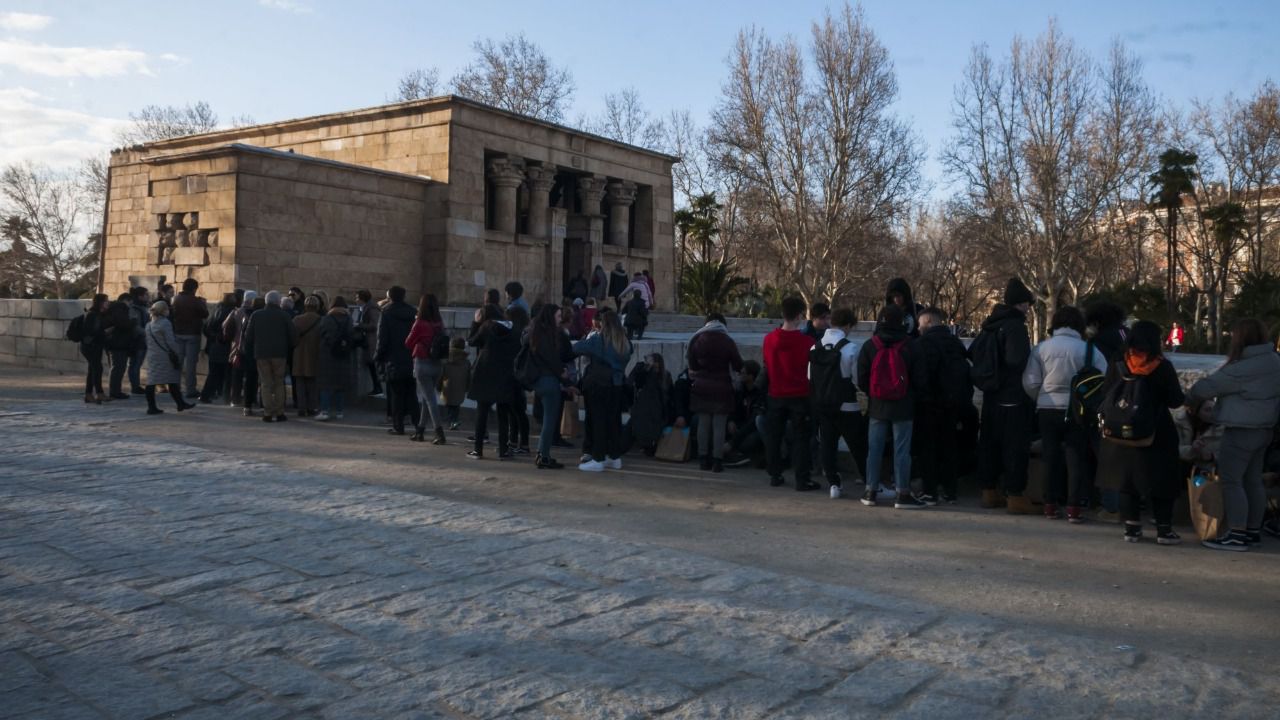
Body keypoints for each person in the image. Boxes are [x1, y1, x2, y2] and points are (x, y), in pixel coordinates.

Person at [1186, 318, 1280, 551]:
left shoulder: (1240, 368)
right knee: (1253, 480)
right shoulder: (1275, 361)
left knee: (1232, 481)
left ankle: (1236, 532)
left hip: (1240, 429)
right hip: (1265, 429)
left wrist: (1189, 400)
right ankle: (1252, 530)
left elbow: (1204, 388)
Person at [1096, 321, 1185, 545]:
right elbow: (1175, 400)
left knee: (1127, 480)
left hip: (1120, 431)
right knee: (1162, 480)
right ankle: (1164, 530)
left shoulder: (1118, 362)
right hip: (1156, 430)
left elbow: (1106, 392)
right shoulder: (1162, 366)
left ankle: (1132, 528)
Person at [1022, 306, 1107, 521]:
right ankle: (1074, 507)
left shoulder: (1041, 349)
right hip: (1078, 410)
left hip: (1047, 409)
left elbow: (1030, 381)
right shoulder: (1090, 350)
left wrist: (1041, 397)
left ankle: (1050, 505)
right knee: (1075, 458)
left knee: (1050, 456)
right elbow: (1103, 380)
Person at [857, 304, 929, 509]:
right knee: (902, 451)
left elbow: (862, 378)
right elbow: (921, 379)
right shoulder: (911, 345)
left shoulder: (870, 345)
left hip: (877, 406)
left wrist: (874, 393)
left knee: (874, 449)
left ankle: (870, 490)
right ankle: (902, 493)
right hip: (903, 405)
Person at [975, 278, 1035, 513]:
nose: (1028, 308)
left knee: (990, 443)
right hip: (1012, 394)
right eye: (1027, 304)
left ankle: (989, 491)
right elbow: (1016, 360)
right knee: (1014, 446)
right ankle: (1015, 495)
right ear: (1021, 304)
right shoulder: (1015, 326)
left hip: (991, 394)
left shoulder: (990, 325)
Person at [915, 308, 971, 505]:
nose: (918, 328)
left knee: (928, 448)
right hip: (954, 403)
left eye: (920, 323)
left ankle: (929, 491)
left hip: (930, 404)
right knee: (949, 447)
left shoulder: (924, 344)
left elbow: (922, 375)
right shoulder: (955, 343)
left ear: (929, 321)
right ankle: (950, 491)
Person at [763, 297, 818, 490]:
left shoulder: (769, 339)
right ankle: (802, 478)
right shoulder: (807, 342)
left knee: (774, 436)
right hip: (799, 394)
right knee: (801, 438)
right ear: (799, 316)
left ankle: (775, 474)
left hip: (776, 393)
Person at [812, 309, 865, 497]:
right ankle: (870, 482)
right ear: (848, 325)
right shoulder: (850, 348)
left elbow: (810, 377)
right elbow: (857, 379)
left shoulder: (815, 347)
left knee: (827, 444)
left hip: (823, 403)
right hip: (847, 404)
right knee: (858, 445)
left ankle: (834, 484)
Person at [574, 310, 632, 471]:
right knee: (613, 421)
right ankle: (614, 457)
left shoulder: (599, 340)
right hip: (617, 385)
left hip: (599, 385)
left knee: (598, 420)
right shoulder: (625, 343)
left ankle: (598, 458)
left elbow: (577, 348)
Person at [688, 314, 744, 473]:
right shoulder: (727, 341)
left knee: (703, 423)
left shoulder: (697, 339)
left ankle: (702, 459)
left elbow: (693, 365)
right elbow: (738, 364)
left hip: (701, 387)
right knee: (719, 425)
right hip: (722, 388)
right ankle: (717, 461)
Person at [526, 303, 575, 468]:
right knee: (550, 421)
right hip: (549, 381)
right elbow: (553, 361)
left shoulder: (535, 333)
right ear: (550, 317)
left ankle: (542, 454)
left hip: (540, 381)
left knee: (548, 421)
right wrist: (565, 379)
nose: (560, 319)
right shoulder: (548, 336)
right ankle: (544, 456)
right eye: (558, 316)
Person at [467, 304, 519, 460]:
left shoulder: (487, 326)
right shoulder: (512, 328)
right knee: (503, 414)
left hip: (486, 372)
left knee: (482, 412)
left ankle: (478, 449)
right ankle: (503, 450)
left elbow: (472, 341)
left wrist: (475, 323)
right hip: (505, 372)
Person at [242, 291, 298, 423]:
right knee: (279, 382)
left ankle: (267, 412)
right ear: (278, 302)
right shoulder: (284, 315)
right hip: (280, 353)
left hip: (261, 353)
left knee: (265, 383)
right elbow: (293, 335)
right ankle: (279, 412)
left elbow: (248, 336)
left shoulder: (256, 315)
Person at [405, 293, 447, 444]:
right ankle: (420, 431)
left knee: (430, 399)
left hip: (422, 363)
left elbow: (408, 343)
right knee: (426, 397)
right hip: (437, 364)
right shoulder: (439, 323)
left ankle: (439, 433)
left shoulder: (420, 323)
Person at [376, 286, 418, 435]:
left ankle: (398, 426)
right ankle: (418, 425)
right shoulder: (413, 312)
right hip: (411, 357)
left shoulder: (386, 313)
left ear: (390, 297)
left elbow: (382, 338)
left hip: (393, 358)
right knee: (412, 393)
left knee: (396, 395)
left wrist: (378, 356)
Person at [143, 301, 195, 414]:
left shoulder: (148, 325)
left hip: (152, 356)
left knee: (152, 381)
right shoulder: (165, 323)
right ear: (163, 311)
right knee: (172, 380)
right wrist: (177, 352)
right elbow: (170, 341)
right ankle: (179, 403)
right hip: (165, 357)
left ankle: (156, 406)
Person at [316, 296, 354, 421]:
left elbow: (321, 333)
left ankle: (325, 410)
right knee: (340, 385)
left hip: (327, 354)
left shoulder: (326, 319)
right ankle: (339, 411)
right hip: (343, 354)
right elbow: (351, 334)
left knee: (326, 384)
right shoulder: (348, 319)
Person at [629, 354, 674, 457]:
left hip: (659, 409)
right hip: (650, 409)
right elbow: (637, 382)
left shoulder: (665, 376)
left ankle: (649, 445)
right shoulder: (647, 375)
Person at [170, 278, 208, 398]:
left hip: (178, 333)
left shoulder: (176, 299)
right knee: (191, 364)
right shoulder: (195, 300)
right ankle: (190, 389)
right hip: (192, 334)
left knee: (178, 363)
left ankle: (175, 388)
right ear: (194, 288)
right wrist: (203, 303)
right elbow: (205, 314)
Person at [199, 293, 236, 404]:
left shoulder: (216, 310)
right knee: (220, 373)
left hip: (214, 346)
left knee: (215, 373)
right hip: (222, 347)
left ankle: (210, 394)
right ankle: (209, 395)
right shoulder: (229, 312)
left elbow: (206, 328)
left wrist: (213, 338)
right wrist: (219, 338)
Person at [292, 296, 323, 417]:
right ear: (317, 307)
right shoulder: (321, 320)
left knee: (299, 382)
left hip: (299, 353)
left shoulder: (297, 319)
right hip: (314, 353)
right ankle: (312, 407)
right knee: (312, 382)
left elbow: (292, 336)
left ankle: (301, 407)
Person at [78, 294, 110, 404]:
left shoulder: (94, 313)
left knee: (93, 369)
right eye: (106, 301)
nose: (108, 303)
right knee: (97, 369)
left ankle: (89, 394)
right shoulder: (94, 315)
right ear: (100, 302)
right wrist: (106, 332)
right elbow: (93, 332)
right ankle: (99, 393)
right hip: (91, 346)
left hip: (91, 345)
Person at [104, 296, 137, 400]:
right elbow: (123, 324)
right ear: (125, 301)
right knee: (118, 368)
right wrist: (133, 321)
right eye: (130, 302)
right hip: (118, 343)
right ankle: (115, 392)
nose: (130, 305)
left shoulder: (115, 309)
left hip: (116, 343)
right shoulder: (120, 309)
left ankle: (115, 391)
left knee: (118, 368)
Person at [352, 290, 383, 398]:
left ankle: (378, 387)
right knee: (371, 365)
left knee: (372, 365)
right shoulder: (367, 308)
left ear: (363, 299)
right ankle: (377, 387)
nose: (356, 300)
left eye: (357, 298)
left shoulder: (371, 309)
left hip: (371, 340)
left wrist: (359, 325)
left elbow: (374, 324)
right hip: (368, 340)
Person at [441, 336, 471, 431]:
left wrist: (438, 386)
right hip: (460, 387)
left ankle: (451, 421)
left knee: (449, 405)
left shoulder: (445, 360)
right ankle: (453, 421)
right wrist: (467, 387)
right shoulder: (466, 361)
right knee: (456, 405)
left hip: (447, 386)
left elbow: (441, 374)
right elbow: (469, 376)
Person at [126, 286, 150, 394]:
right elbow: (135, 326)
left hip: (141, 340)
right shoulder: (134, 309)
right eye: (146, 295)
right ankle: (135, 386)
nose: (148, 297)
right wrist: (146, 333)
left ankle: (136, 385)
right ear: (140, 296)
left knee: (136, 364)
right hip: (137, 340)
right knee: (135, 364)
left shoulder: (143, 307)